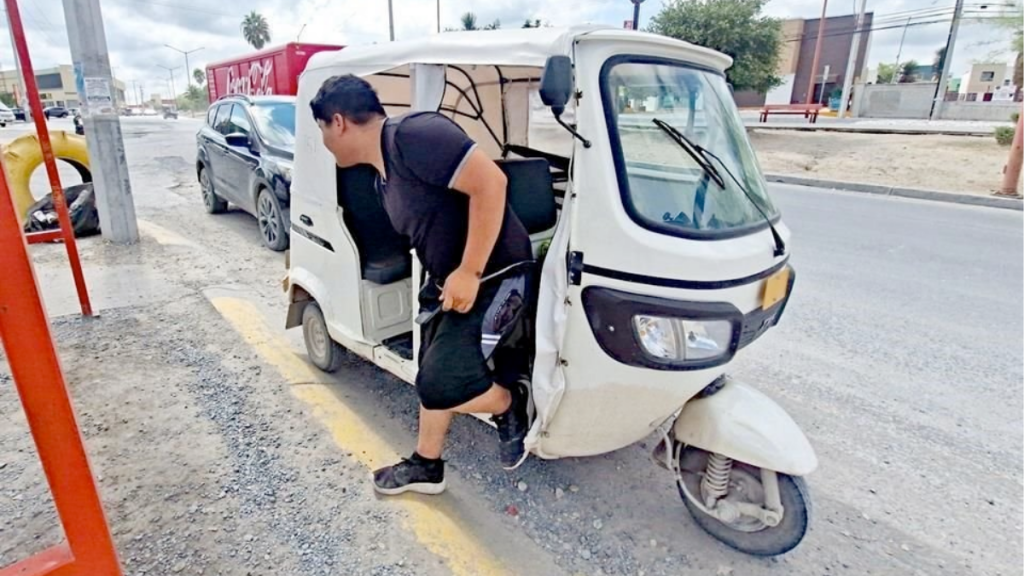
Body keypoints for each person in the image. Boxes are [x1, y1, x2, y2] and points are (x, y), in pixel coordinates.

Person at [310, 74, 533, 496]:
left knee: (440, 383)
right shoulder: (382, 176)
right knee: (428, 371)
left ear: (337, 121)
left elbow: (491, 184)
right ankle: (428, 465)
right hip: (450, 281)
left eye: (321, 128)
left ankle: (510, 402)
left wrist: (468, 270)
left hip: (499, 272)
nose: (323, 140)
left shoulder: (414, 134)